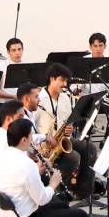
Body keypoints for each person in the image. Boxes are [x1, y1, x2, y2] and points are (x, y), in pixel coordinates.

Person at [38, 62, 93, 198]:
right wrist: (43, 139)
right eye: (62, 80)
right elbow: (31, 126)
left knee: (89, 148)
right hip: (46, 144)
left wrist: (70, 128)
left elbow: (68, 121)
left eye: (66, 81)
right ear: (52, 79)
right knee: (74, 157)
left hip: (61, 139)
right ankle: (59, 190)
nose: (65, 84)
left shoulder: (65, 98)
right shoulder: (39, 99)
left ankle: (81, 188)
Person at [0, 38, 25, 104]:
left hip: (22, 104)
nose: (17, 53)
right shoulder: (0, 66)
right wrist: (12, 96)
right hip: (4, 105)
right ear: (8, 52)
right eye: (14, 50)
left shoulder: (26, 65)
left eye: (19, 49)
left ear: (22, 50)